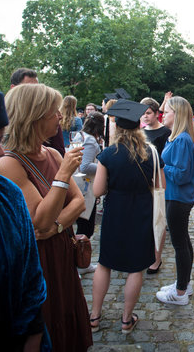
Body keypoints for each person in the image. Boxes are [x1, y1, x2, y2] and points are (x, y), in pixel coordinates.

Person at [0, 84, 92, 351]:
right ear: (35, 116)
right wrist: (62, 176)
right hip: (38, 261)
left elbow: (79, 202)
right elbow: (40, 219)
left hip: (60, 251)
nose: (61, 117)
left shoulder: (52, 153)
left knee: (67, 312)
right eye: (54, 112)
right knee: (48, 320)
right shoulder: (10, 163)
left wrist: (57, 226)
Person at [0, 92, 50, 351]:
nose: (0, 151)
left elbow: (31, 276)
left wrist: (33, 335)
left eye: (1, 140)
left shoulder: (6, 195)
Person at [91, 100, 162, 333]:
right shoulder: (150, 153)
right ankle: (126, 320)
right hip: (141, 213)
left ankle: (94, 317)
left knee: (105, 264)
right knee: (135, 268)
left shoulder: (109, 154)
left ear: (118, 128)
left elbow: (97, 191)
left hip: (115, 214)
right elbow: (161, 184)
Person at [155, 96, 194, 306]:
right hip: (176, 196)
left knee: (179, 244)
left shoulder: (181, 139)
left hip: (178, 197)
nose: (163, 114)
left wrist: (161, 167)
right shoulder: (179, 137)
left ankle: (180, 292)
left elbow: (181, 174)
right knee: (183, 242)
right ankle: (184, 284)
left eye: (168, 111)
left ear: (178, 114)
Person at [141, 97, 171, 274]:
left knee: (159, 218)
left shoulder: (165, 132)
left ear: (156, 113)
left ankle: (157, 258)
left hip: (158, 177)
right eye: (143, 114)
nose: (145, 117)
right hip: (143, 179)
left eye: (148, 113)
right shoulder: (141, 132)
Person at [74, 111, 105, 275]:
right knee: (86, 227)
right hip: (84, 187)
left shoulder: (80, 135)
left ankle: (80, 263)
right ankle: (80, 262)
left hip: (77, 184)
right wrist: (103, 167)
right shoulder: (91, 141)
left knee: (82, 224)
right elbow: (85, 166)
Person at [10, 68, 65, 157]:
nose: (37, 92)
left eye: (37, 87)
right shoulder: (3, 119)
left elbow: (60, 152)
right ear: (13, 88)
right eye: (29, 88)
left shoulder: (51, 153)